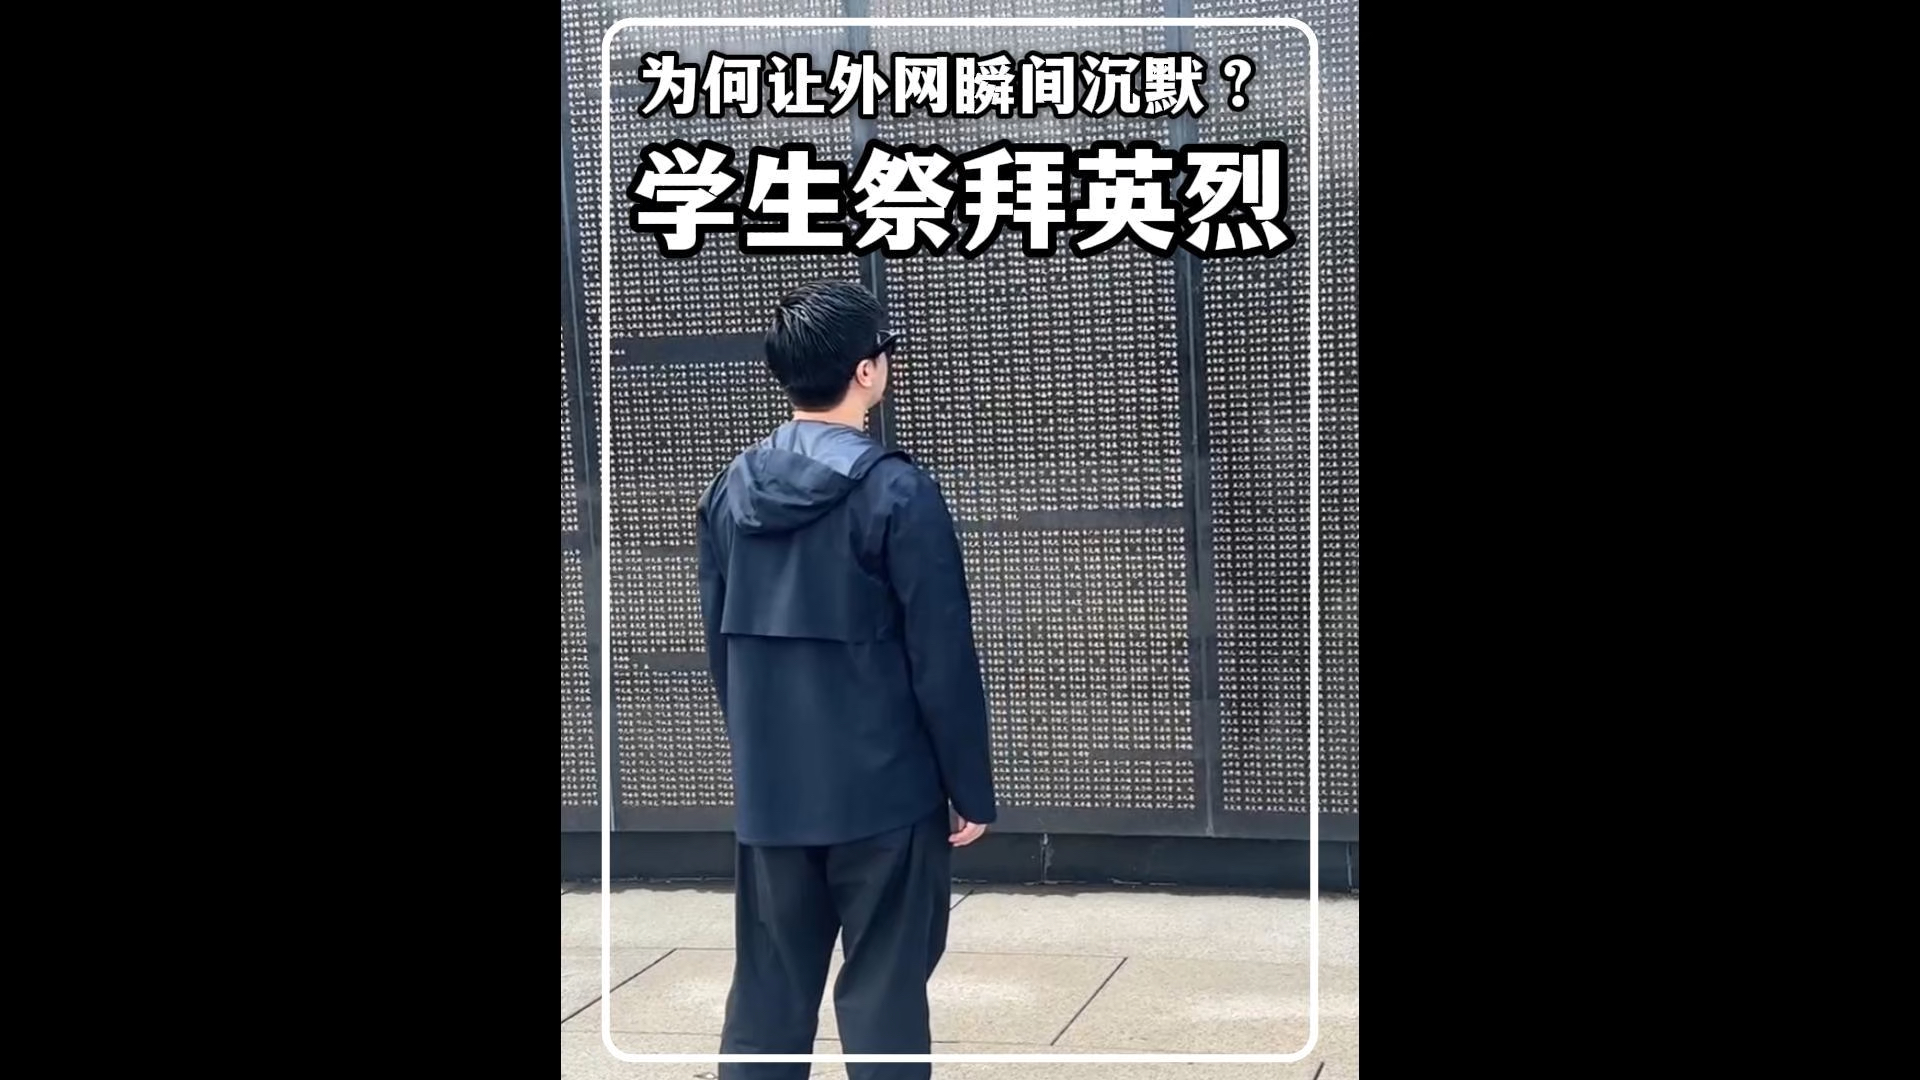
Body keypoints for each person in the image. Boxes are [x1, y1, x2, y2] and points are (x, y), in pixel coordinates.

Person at [694, 278, 998, 1079]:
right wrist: (968, 787)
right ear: (866, 371)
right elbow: (941, 658)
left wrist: (760, 763)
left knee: (766, 1000)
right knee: (886, 999)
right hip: (886, 796)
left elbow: (724, 653)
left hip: (774, 798)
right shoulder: (898, 492)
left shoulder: (730, 490)